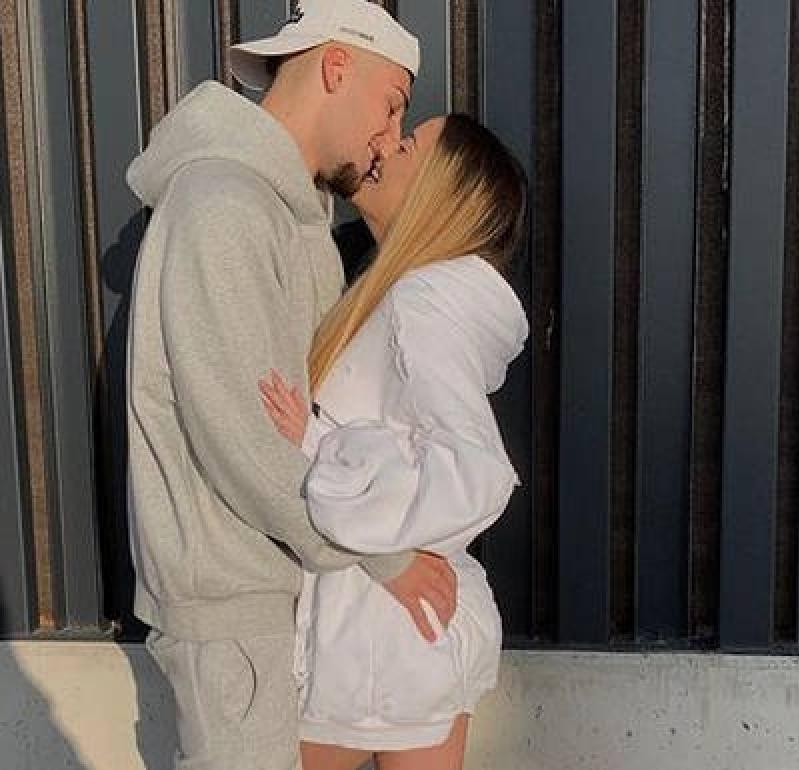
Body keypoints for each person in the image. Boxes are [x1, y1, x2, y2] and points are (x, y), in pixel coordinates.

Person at [123, 2, 459, 768]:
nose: (389, 137)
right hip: (230, 602)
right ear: (337, 66)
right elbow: (241, 441)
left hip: (264, 591)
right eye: (392, 104)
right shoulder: (223, 206)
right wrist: (386, 556)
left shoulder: (281, 210)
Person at [259, 113, 530, 770]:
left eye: (407, 145)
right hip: (401, 630)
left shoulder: (421, 301)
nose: (384, 144)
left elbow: (473, 471)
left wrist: (319, 449)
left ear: (441, 192)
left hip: (377, 640)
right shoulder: (402, 293)